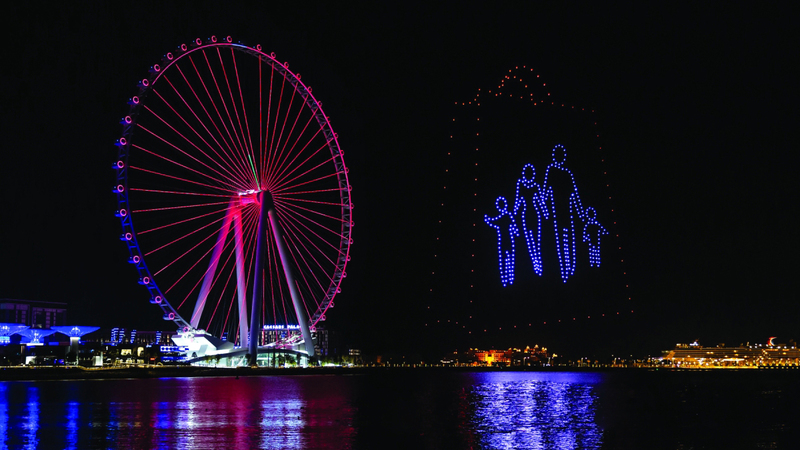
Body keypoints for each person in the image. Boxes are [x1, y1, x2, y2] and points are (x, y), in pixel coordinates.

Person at [543, 144, 585, 282]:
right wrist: (545, 211)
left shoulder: (567, 174)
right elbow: (545, 193)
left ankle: (570, 269)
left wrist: (580, 213)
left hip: (567, 212)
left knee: (568, 240)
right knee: (562, 240)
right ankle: (566, 270)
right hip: (558, 212)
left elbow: (574, 195)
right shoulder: (551, 171)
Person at [513, 164, 547, 276]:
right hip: (526, 215)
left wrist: (545, 214)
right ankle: (536, 264)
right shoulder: (521, 185)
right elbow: (518, 202)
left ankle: (538, 265)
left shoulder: (536, 186)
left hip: (535, 215)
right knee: (530, 241)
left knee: (536, 241)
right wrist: (514, 212)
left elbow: (541, 202)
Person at [484, 196, 519, 287]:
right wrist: (516, 232)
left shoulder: (505, 217)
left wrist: (487, 219)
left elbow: (493, 222)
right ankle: (508, 279)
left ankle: (507, 279)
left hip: (504, 241)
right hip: (508, 241)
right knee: (508, 259)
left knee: (505, 259)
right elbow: (515, 228)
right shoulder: (508, 216)